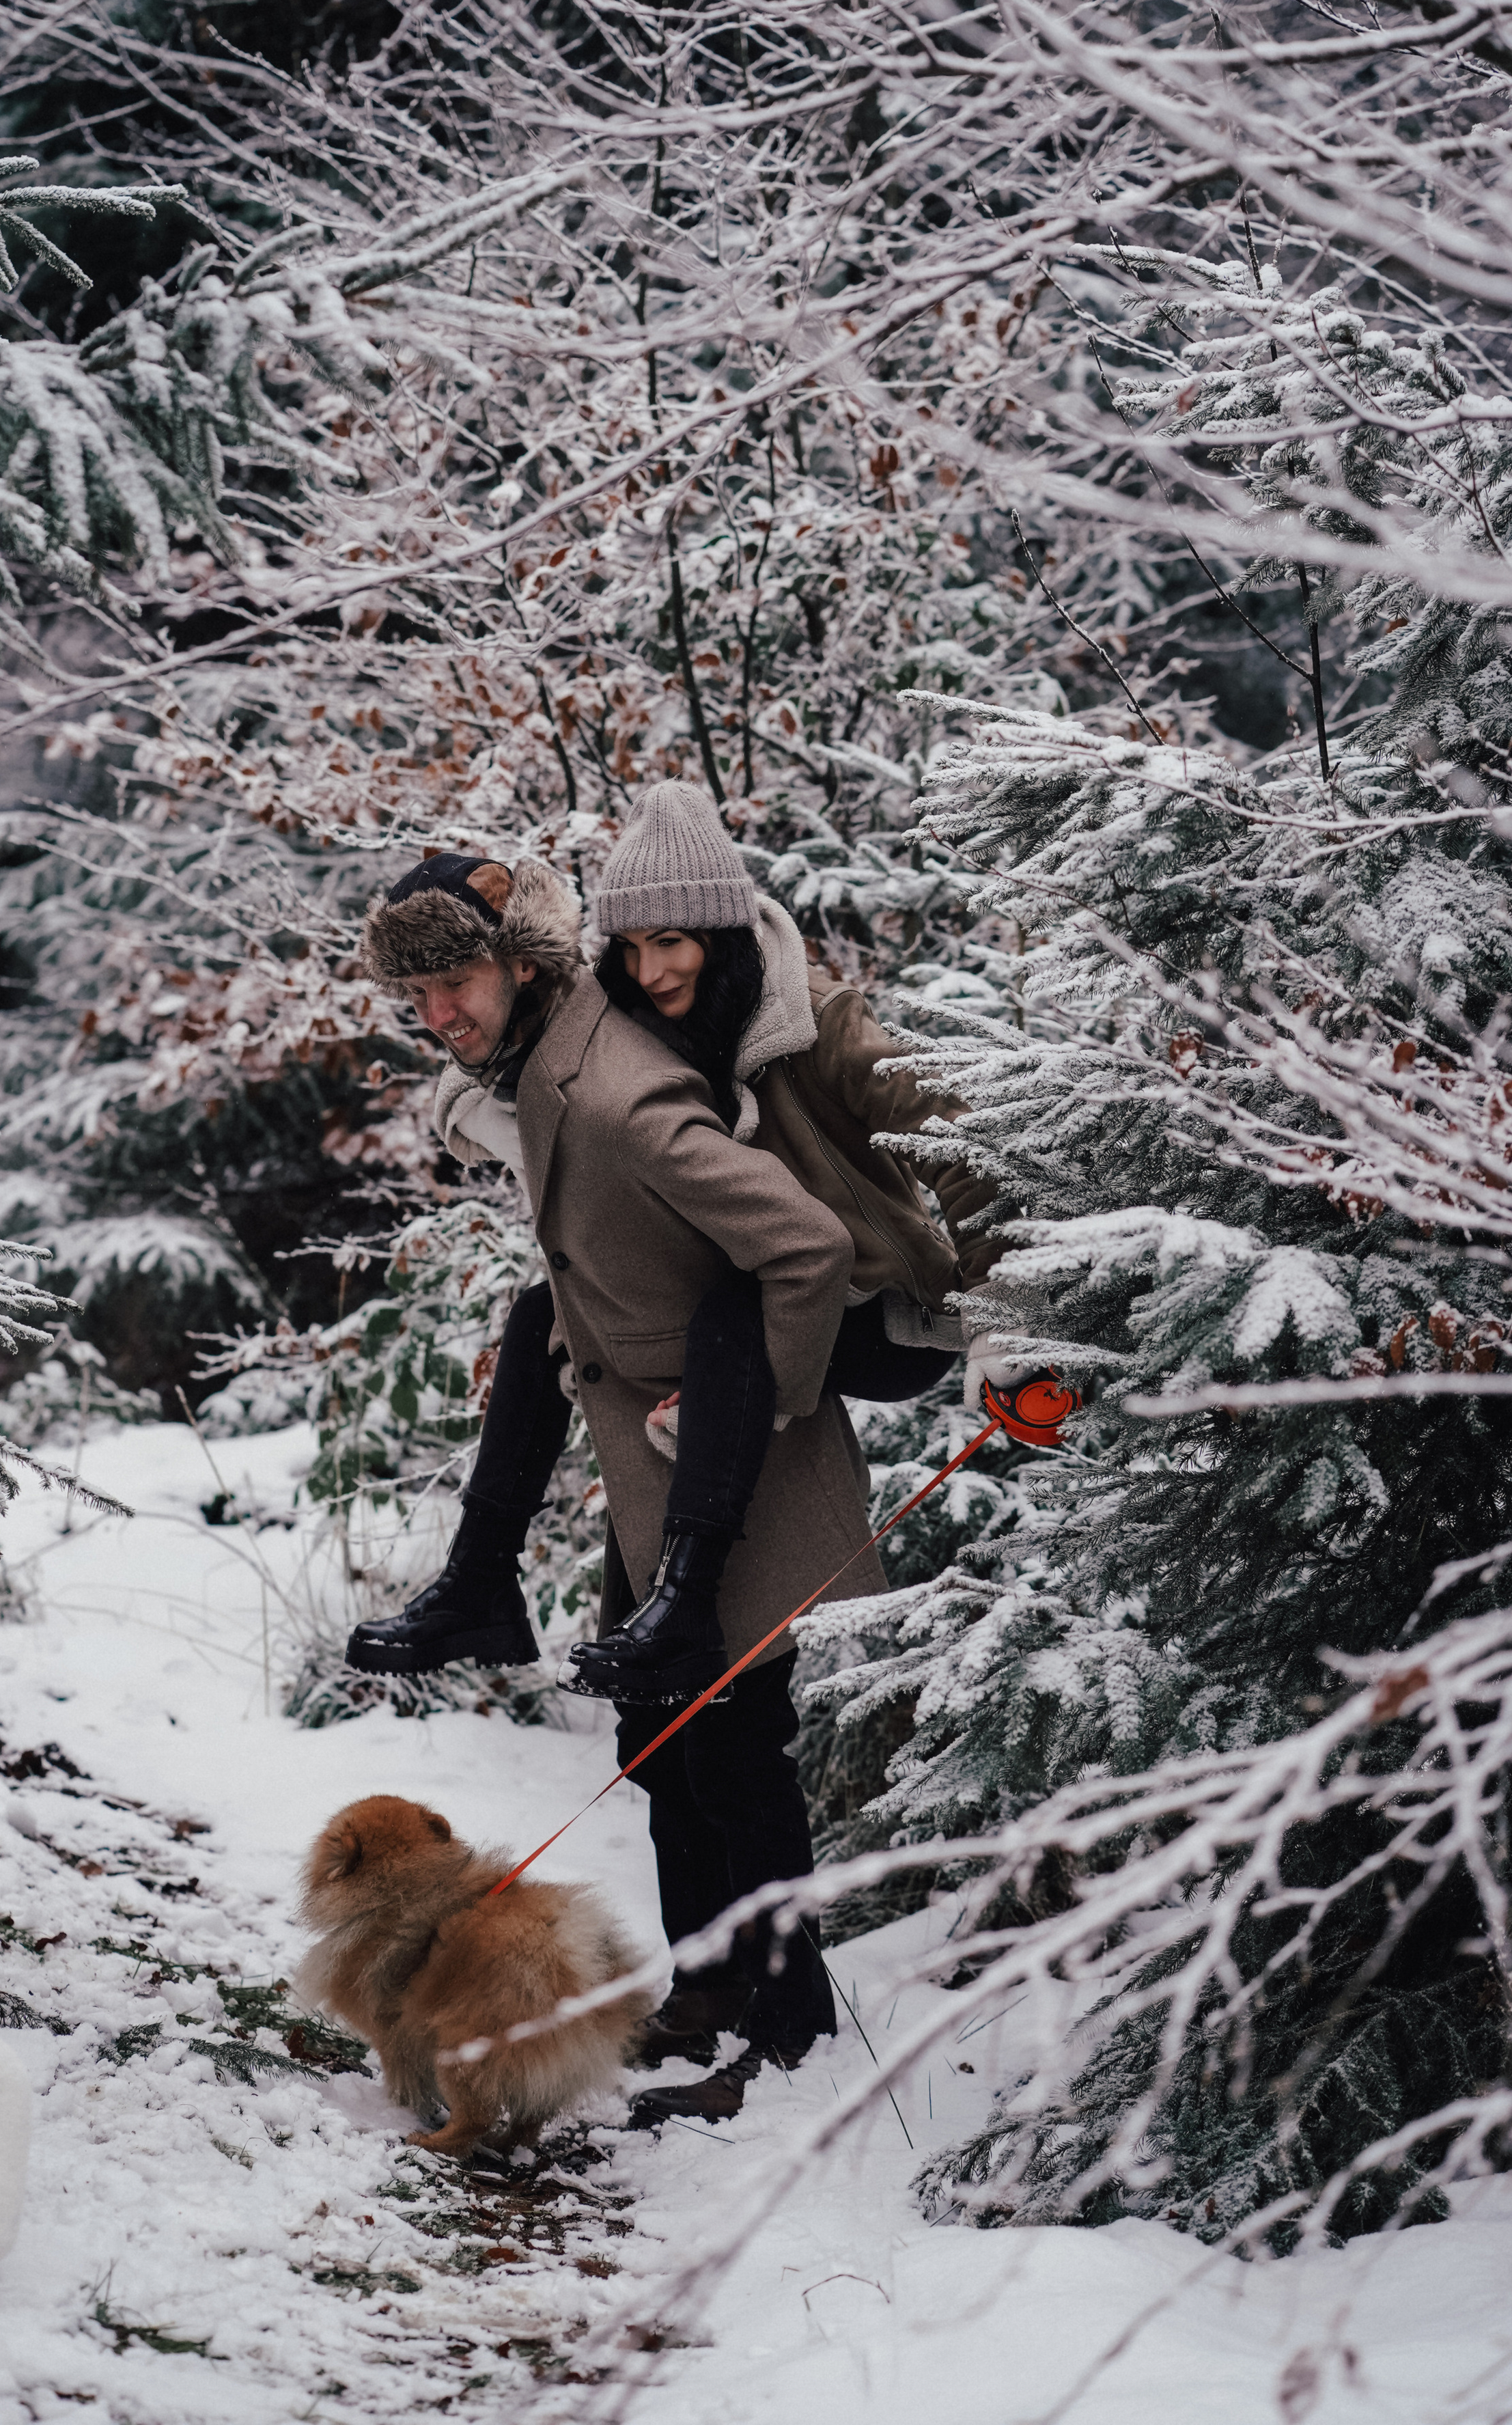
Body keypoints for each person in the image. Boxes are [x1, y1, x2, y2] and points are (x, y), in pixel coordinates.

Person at [346, 792, 1007, 2121]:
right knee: (663, 1730)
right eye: (628, 946)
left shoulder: (802, 1019)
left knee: (731, 1735)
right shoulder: (620, 1023)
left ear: (722, 927)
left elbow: (952, 1140)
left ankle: (785, 2015)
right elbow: (535, 1077)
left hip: (849, 1323)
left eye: (674, 943)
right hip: (689, 1389)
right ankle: (707, 1986)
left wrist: (1011, 1318)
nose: (650, 969)